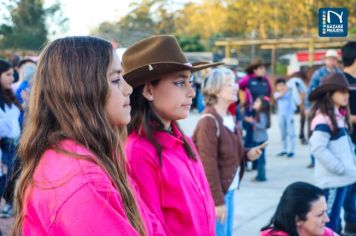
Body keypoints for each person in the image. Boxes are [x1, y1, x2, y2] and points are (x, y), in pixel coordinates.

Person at [13, 36, 155, 235]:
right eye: (115, 80)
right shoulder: (84, 180)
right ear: (81, 91)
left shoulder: (85, 157)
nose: (128, 89)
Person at [122, 35, 221, 236]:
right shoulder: (137, 152)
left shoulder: (182, 140)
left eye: (190, 81)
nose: (192, 92)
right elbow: (150, 227)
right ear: (149, 90)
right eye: (179, 83)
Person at [192, 67, 262, 236]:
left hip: (228, 191)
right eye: (230, 84)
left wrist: (247, 154)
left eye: (235, 83)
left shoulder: (228, 118)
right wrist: (217, 202)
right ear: (216, 89)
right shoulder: (208, 121)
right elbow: (208, 165)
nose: (236, 87)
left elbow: (231, 150)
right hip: (218, 195)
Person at [308, 73, 356, 233]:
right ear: (330, 94)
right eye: (342, 91)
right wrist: (340, 168)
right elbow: (317, 148)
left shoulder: (337, 116)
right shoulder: (324, 118)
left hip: (342, 180)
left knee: (334, 220)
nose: (346, 95)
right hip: (332, 182)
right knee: (328, 222)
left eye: (347, 91)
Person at [261, 182, 336, 236]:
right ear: (298, 220)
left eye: (325, 212)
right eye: (319, 215)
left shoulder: (325, 233)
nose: (327, 219)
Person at [239, 58, 272, 169]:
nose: (264, 71)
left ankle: (257, 164)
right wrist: (243, 102)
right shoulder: (247, 79)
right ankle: (246, 161)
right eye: (262, 69)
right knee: (249, 138)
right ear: (255, 69)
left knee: (259, 137)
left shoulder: (266, 80)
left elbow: (269, 95)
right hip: (250, 112)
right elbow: (238, 88)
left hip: (262, 113)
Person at [0, 59, 22, 218]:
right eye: (8, 74)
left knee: (14, 181)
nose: (12, 78)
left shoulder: (9, 95)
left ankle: (10, 205)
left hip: (16, 146)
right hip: (4, 149)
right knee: (6, 182)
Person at [341, 41, 356, 235]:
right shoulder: (340, 81)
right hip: (348, 142)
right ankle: (350, 223)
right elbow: (337, 114)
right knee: (349, 187)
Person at [274, 78, 297, 158]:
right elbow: (280, 96)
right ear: (276, 87)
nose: (281, 87)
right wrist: (286, 88)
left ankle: (291, 150)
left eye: (282, 85)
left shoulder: (290, 92)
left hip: (289, 115)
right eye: (279, 85)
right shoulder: (276, 94)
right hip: (281, 115)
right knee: (283, 133)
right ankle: (284, 149)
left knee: (291, 133)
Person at [252, 96, 271, 182]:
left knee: (260, 159)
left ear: (262, 105)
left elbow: (262, 126)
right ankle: (260, 175)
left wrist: (252, 122)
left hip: (261, 140)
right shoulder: (258, 113)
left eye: (257, 101)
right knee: (260, 158)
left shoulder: (261, 114)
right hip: (260, 139)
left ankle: (261, 176)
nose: (254, 102)